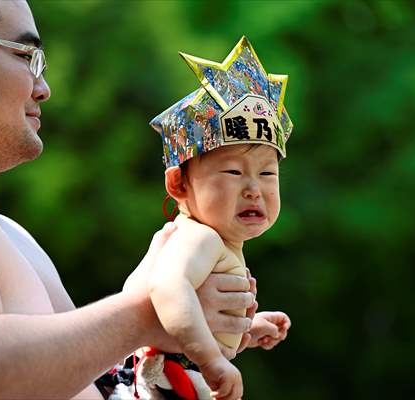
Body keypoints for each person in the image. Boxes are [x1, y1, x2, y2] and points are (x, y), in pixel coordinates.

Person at [0, 1, 259, 399]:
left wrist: (166, 356)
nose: (44, 88)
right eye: (25, 56)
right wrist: (148, 311)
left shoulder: (11, 233)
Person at [121, 37, 295, 400]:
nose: (253, 189)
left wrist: (243, 331)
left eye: (267, 174)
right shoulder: (200, 237)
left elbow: (188, 321)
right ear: (178, 183)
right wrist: (213, 358)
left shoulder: (213, 241)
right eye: (232, 172)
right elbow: (168, 291)